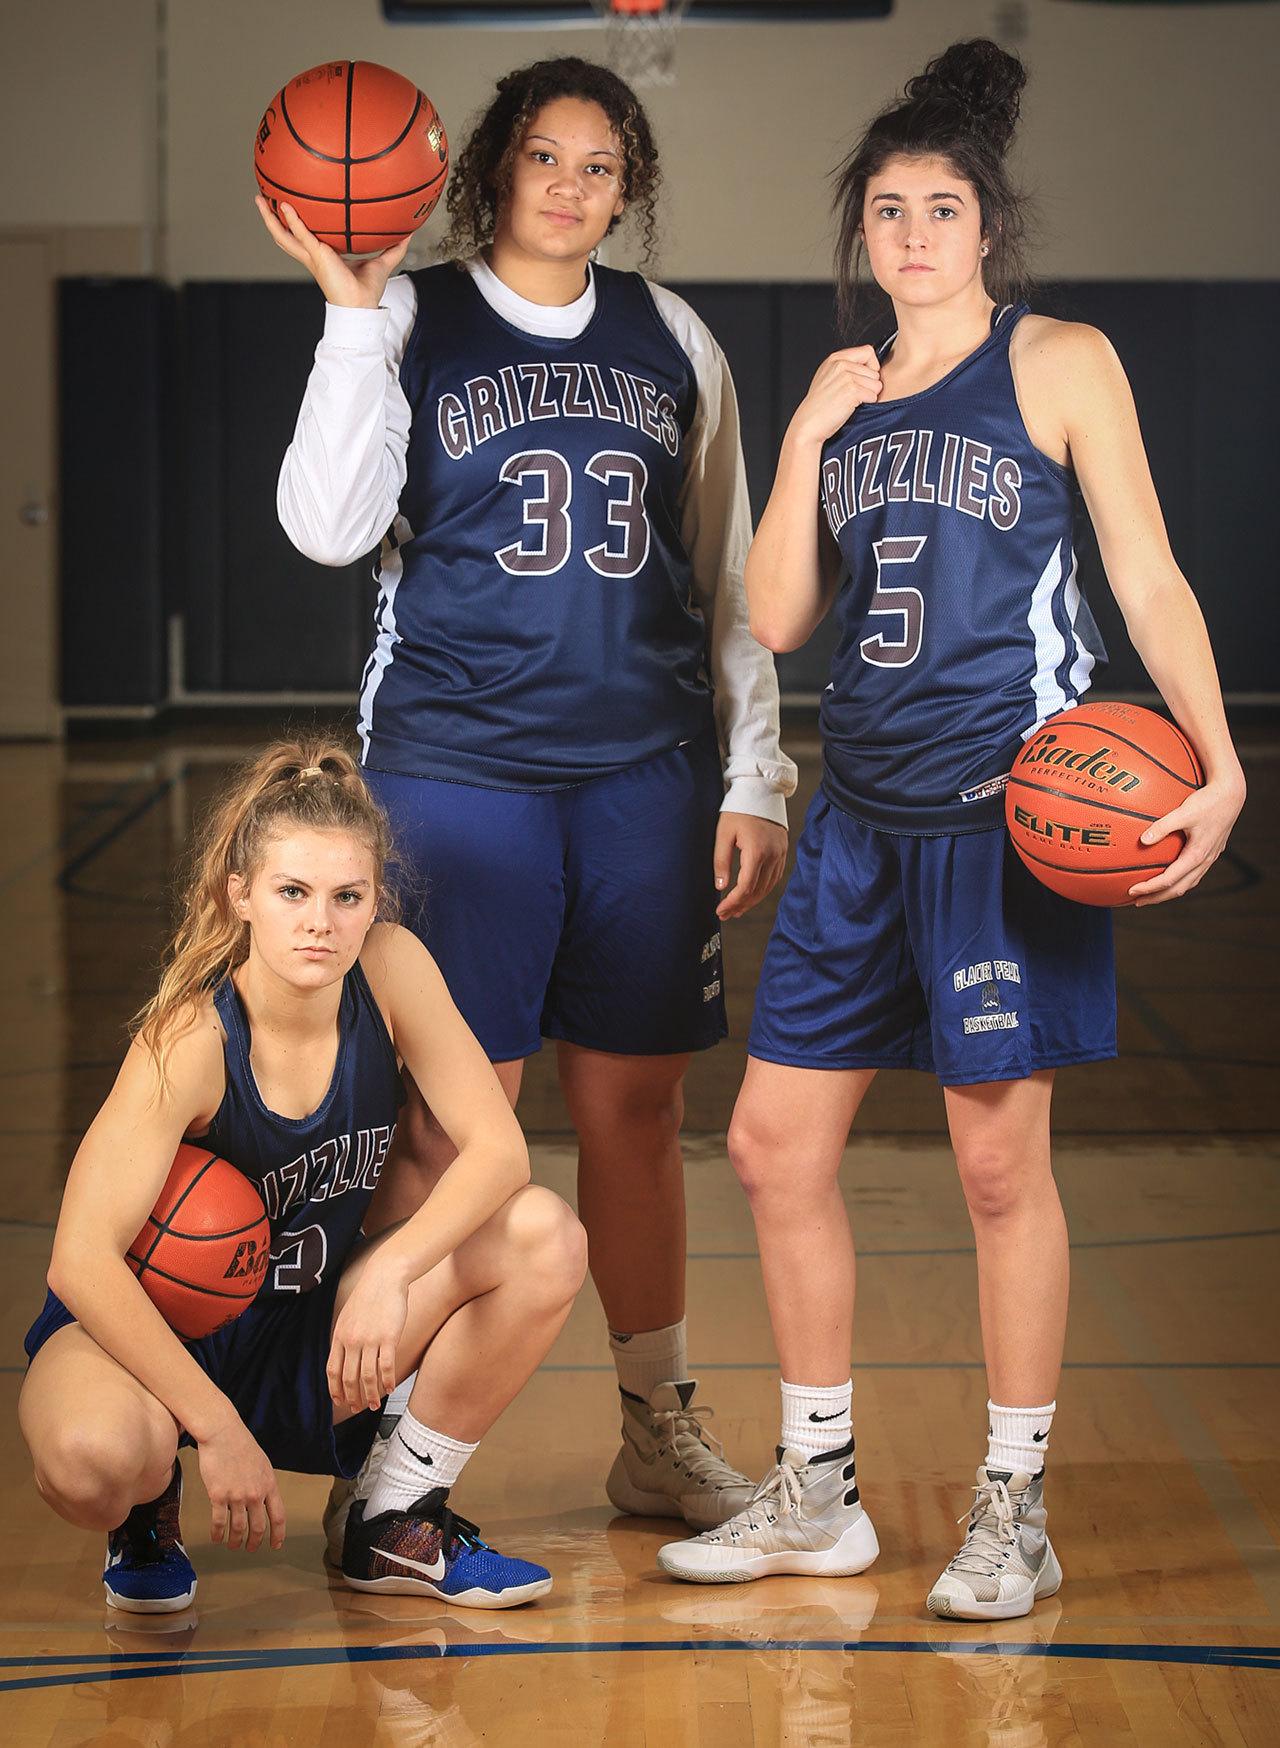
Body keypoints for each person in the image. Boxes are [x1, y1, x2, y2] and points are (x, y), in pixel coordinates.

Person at [656, 39, 1246, 1616]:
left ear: (990, 228)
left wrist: (1218, 753)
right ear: (863, 236)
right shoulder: (844, 401)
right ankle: (820, 1493)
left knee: (998, 1170)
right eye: (890, 211)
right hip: (860, 819)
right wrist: (799, 440)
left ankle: (1011, 1505)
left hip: (1011, 820)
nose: (914, 233)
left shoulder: (1061, 360)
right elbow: (776, 618)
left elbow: (1147, 572)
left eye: (943, 207)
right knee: (776, 1148)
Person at [259, 55, 796, 1536]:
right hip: (454, 776)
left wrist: (755, 771)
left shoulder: (670, 334)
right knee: (450, 1124)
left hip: (641, 779)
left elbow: (731, 577)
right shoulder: (413, 317)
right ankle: (392, 1456)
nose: (571, 187)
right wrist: (351, 314)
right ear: (490, 168)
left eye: (602, 166)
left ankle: (654, 1427)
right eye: (547, 158)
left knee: (636, 1110)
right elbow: (327, 527)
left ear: (630, 191)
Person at [19, 740, 587, 1611]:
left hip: (308, 1328)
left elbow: (499, 1149)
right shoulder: (192, 1041)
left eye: (345, 896)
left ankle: (393, 1516)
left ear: (373, 905)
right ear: (239, 896)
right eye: (292, 893)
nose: (320, 922)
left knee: (545, 1233)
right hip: (157, 1334)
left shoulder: (390, 968)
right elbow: (80, 1260)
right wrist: (211, 1427)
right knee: (92, 1461)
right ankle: (145, 1503)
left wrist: (389, 1272)